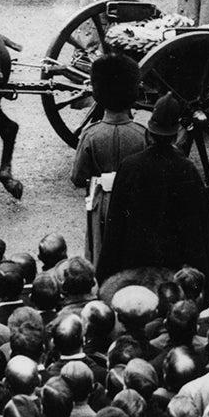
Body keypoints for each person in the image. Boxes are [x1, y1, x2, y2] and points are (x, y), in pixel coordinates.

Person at [96, 93, 209, 283]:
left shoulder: (130, 166)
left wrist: (106, 273)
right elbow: (201, 226)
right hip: (175, 271)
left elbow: (115, 223)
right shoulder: (186, 168)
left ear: (149, 134)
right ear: (175, 136)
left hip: (135, 268)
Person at [72, 50, 145, 263]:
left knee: (100, 253)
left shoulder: (91, 134)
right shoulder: (141, 134)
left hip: (100, 203)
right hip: (134, 202)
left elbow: (77, 177)